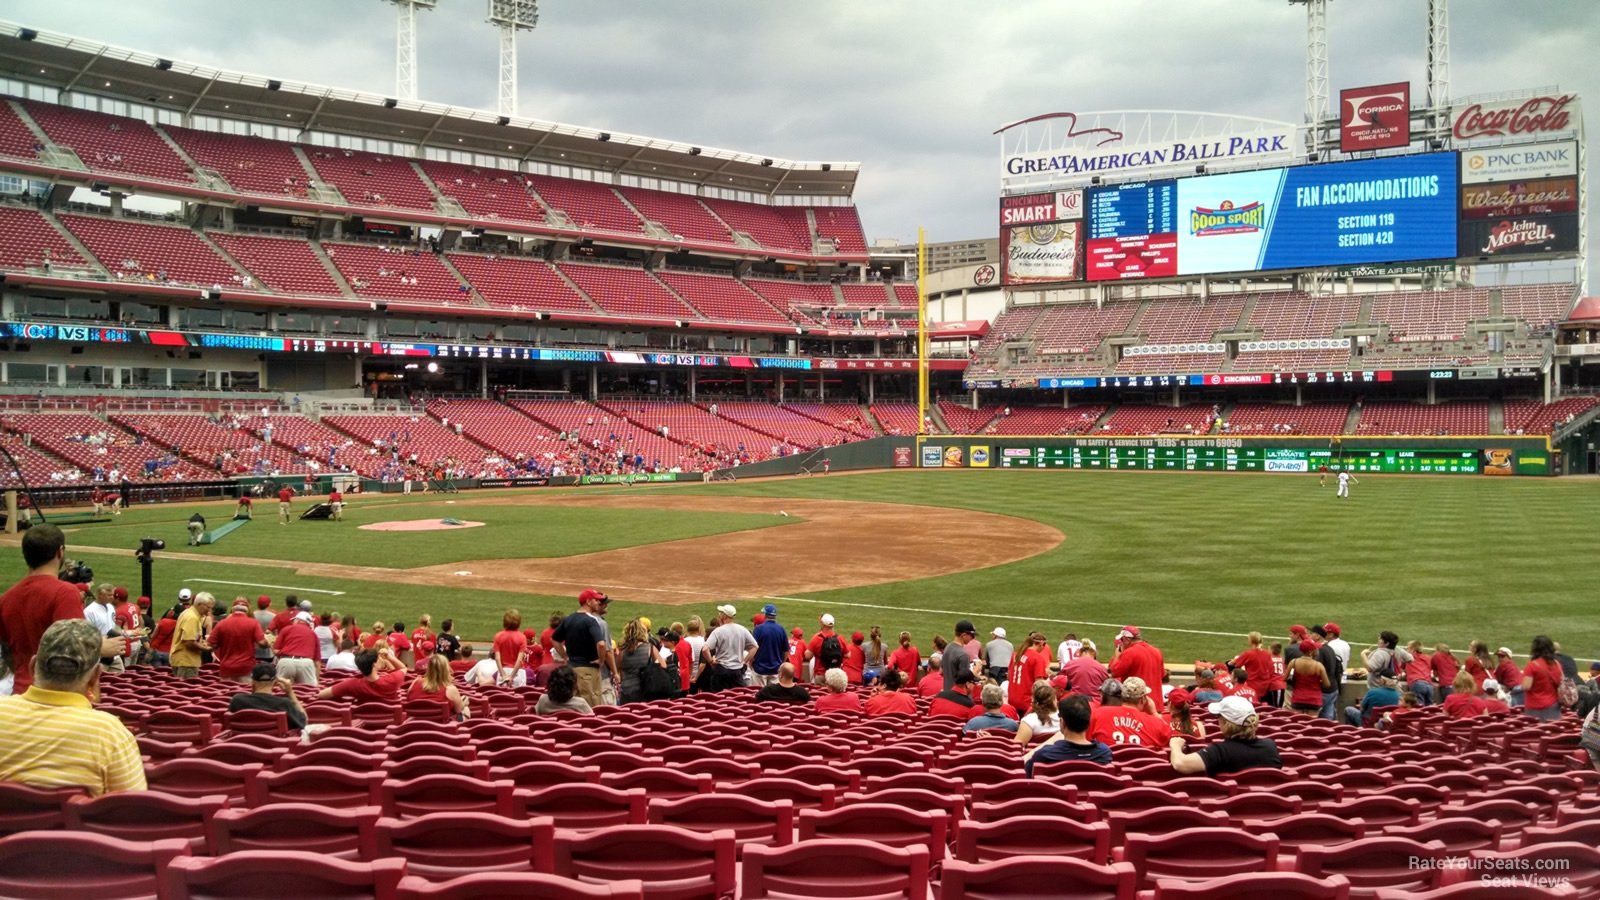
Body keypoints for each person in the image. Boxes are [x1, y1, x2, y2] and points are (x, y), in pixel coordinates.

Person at [0, 619, 145, 795]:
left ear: (32, 667)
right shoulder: (109, 733)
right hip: (73, 822)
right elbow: (132, 810)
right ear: (94, 677)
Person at [0, 524, 120, 695]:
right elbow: (76, 646)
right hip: (57, 693)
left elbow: (8, 653)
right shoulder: (64, 592)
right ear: (60, 552)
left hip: (21, 692)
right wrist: (102, 647)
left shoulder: (6, 598)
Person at [1169, 696, 1282, 776]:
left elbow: (1180, 763)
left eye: (1219, 716)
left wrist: (1175, 745)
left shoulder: (1220, 752)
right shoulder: (1270, 747)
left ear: (1225, 723)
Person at [553, 590, 615, 708]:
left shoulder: (569, 619)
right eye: (595, 600)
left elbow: (555, 640)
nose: (598, 602)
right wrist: (601, 661)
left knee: (573, 704)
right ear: (588, 602)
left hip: (571, 669)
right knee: (590, 706)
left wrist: (565, 656)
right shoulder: (592, 620)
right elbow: (601, 644)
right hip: (588, 671)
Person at [1024, 694, 1112, 775]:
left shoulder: (1045, 755)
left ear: (1062, 722)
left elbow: (1025, 770)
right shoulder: (1104, 754)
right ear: (1088, 722)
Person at [1345, 631, 1409, 727]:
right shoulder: (1398, 695)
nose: (1378, 641)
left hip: (1368, 722)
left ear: (1386, 643)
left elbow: (1370, 668)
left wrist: (1363, 655)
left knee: (1349, 710)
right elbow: (1410, 658)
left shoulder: (1380, 653)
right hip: (1385, 724)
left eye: (1380, 639)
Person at [229, 662, 307, 730]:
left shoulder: (237, 700)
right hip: (275, 746)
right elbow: (304, 722)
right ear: (275, 682)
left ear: (252, 681)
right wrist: (290, 693)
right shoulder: (284, 704)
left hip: (242, 745)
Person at [701, 604, 757, 692]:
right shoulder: (742, 629)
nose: (719, 615)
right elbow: (755, 647)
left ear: (724, 616)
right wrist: (744, 661)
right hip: (737, 671)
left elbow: (705, 649)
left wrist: (711, 661)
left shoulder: (718, 631)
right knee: (739, 696)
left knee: (718, 697)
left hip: (721, 670)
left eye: (721, 613)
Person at [1109, 626, 1165, 712]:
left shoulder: (1129, 652)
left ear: (1127, 639)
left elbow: (1114, 672)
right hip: (1156, 706)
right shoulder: (1157, 651)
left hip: (1139, 706)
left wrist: (1117, 655)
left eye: (1122, 640)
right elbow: (1162, 675)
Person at [318, 647, 405, 701]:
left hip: (362, 725)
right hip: (389, 723)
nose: (381, 660)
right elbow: (404, 668)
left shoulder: (352, 684)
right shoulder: (391, 680)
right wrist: (390, 657)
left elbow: (321, 694)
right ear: (374, 664)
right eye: (378, 659)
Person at [211, 599, 268, 683]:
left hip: (226, 667)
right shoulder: (253, 623)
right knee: (244, 693)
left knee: (226, 693)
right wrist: (269, 642)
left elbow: (211, 644)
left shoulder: (222, 623)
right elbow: (262, 643)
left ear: (233, 609)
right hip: (246, 668)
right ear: (247, 610)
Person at [407, 654, 468, 720]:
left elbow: (408, 700)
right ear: (446, 670)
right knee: (466, 709)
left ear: (429, 668)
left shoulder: (415, 683)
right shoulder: (450, 690)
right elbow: (459, 710)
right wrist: (464, 704)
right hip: (442, 728)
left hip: (415, 727)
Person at [169, 592, 215, 679]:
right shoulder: (192, 617)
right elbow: (189, 642)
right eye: (208, 607)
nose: (209, 610)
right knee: (187, 690)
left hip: (183, 660)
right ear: (199, 604)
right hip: (187, 662)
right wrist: (205, 648)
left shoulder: (188, 613)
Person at [617, 618, 658, 704]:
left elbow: (618, 668)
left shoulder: (622, 650)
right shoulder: (650, 648)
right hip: (645, 690)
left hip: (626, 690)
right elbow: (663, 666)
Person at [274, 610, 321, 685]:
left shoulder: (286, 629)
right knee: (309, 690)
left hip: (286, 661)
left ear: (298, 620)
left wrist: (284, 652)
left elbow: (276, 651)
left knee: (278, 688)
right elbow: (317, 663)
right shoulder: (313, 634)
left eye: (294, 620)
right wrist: (317, 681)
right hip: (306, 663)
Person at [1008, 632, 1051, 714]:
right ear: (1041, 643)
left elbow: (1009, 676)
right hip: (1027, 702)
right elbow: (1039, 685)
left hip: (1012, 699)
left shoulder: (1016, 654)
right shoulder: (1037, 658)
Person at [1286, 639, 1330, 715]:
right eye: (1315, 649)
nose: (1317, 650)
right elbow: (1327, 684)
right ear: (1310, 651)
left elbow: (1285, 678)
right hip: (1314, 700)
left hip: (1298, 698)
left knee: (1297, 724)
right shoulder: (1319, 666)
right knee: (1311, 725)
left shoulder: (1293, 662)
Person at [1229, 632, 1275, 700]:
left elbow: (1234, 663)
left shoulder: (1249, 654)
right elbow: (1271, 668)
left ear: (1251, 641)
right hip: (1265, 686)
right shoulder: (1267, 654)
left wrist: (1232, 661)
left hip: (1252, 685)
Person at [751, 604, 788, 687]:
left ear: (765, 615)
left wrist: (751, 662)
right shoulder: (781, 629)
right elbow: (786, 651)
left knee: (758, 695)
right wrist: (782, 663)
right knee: (774, 697)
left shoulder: (758, 629)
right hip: (776, 669)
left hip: (759, 669)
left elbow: (753, 648)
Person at [942, 620, 977, 691]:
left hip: (947, 693)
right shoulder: (963, 655)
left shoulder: (947, 647)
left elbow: (942, 671)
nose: (973, 638)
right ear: (963, 635)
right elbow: (964, 682)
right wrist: (976, 670)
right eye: (972, 636)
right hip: (958, 696)